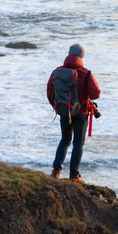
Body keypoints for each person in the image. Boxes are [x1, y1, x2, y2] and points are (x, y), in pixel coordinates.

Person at [46, 43, 101, 183]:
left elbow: (50, 91)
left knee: (64, 140)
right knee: (78, 143)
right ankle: (74, 176)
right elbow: (96, 93)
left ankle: (55, 171)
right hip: (81, 113)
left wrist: (58, 107)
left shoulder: (57, 71)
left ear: (69, 54)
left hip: (64, 112)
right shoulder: (86, 74)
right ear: (82, 57)